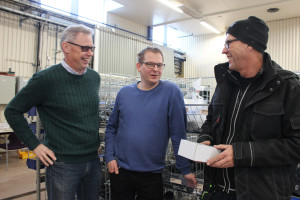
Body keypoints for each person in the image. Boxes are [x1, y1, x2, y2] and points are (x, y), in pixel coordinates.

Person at [197, 16, 300, 200]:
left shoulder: (286, 86)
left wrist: (242, 154)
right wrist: (206, 138)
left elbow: (296, 144)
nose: (223, 50)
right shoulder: (225, 82)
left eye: (228, 43)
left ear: (250, 44)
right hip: (216, 191)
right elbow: (211, 120)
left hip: (260, 194)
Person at [5, 24, 101, 200]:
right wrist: (35, 145)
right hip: (63, 164)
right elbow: (12, 111)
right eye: (85, 48)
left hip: (93, 161)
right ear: (66, 47)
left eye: (92, 48)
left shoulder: (94, 78)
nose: (90, 53)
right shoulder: (45, 79)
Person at [104, 47, 197, 200]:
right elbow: (111, 128)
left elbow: (178, 134)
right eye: (150, 65)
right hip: (120, 171)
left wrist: (184, 168)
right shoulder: (124, 93)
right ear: (138, 66)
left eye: (159, 65)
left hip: (151, 174)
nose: (156, 70)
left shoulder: (171, 92)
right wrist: (109, 156)